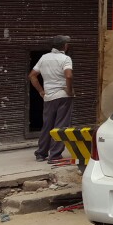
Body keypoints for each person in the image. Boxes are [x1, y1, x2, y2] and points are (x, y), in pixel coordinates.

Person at [28, 36, 74, 164]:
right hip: (63, 96)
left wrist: (41, 91)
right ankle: (55, 155)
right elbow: (69, 75)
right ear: (65, 46)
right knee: (61, 126)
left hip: (48, 97)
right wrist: (69, 90)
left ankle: (41, 153)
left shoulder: (44, 58)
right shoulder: (65, 59)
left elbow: (32, 76)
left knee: (47, 125)